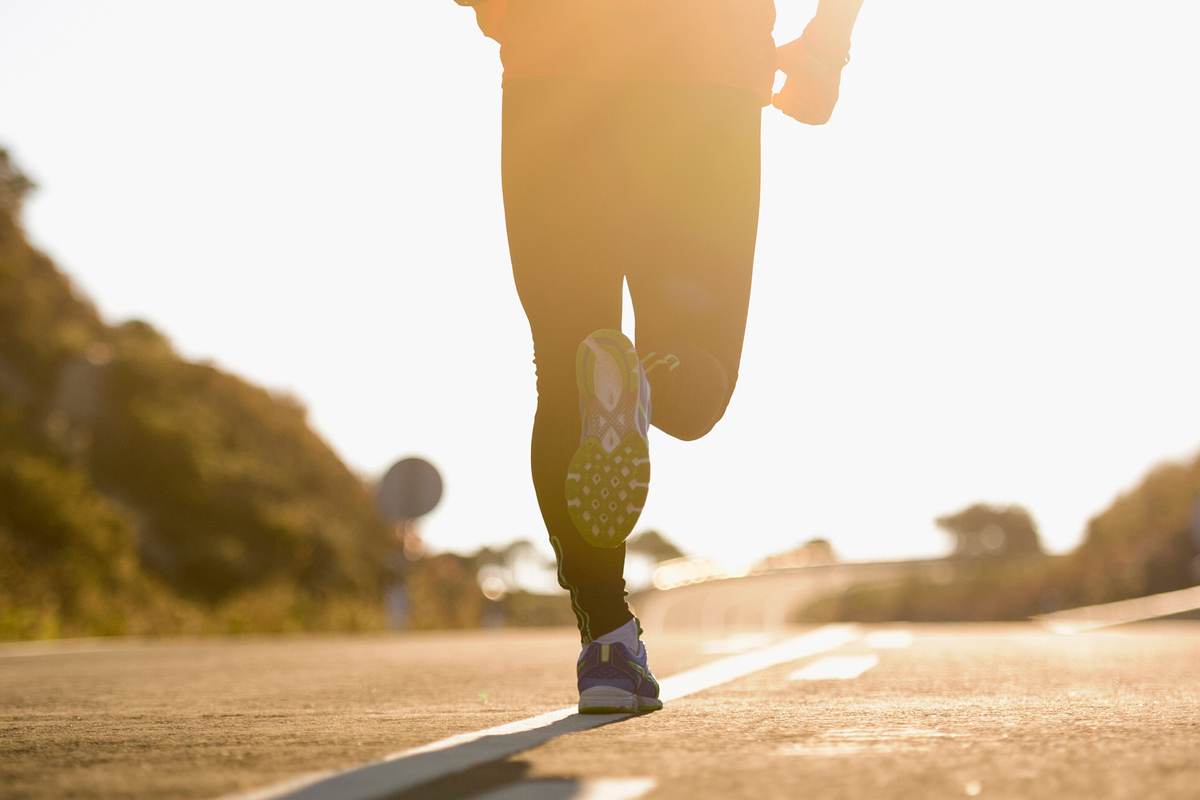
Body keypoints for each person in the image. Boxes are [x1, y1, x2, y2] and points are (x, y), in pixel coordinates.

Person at [455, 0, 865, 713]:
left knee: (567, 370)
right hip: (704, 78)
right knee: (698, 376)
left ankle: (608, 646)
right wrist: (827, 47)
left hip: (550, 73)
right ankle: (649, 381)